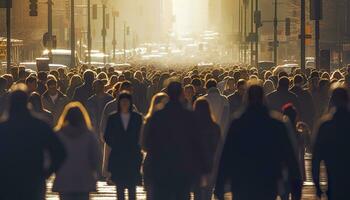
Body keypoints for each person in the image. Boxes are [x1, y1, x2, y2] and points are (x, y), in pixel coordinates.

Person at [215, 84, 302, 200]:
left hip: (242, 182)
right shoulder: (276, 123)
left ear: (246, 99)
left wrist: (219, 186)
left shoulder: (237, 123)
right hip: (268, 181)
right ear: (263, 98)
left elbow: (226, 155)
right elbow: (289, 156)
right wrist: (296, 186)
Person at [0, 84, 66, 200]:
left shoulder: (3, 127)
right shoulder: (40, 125)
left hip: (6, 181)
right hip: (33, 180)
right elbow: (60, 152)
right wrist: (46, 173)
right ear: (27, 102)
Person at [144, 81, 206, 200]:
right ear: (181, 94)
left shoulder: (157, 116)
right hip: (183, 168)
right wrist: (202, 168)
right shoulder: (190, 116)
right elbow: (198, 143)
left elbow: (145, 144)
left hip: (161, 168)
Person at [52, 102, 101, 200]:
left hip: (64, 179)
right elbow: (96, 156)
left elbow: (52, 156)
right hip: (84, 180)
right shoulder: (89, 135)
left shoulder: (58, 134)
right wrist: (95, 172)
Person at [312, 87, 350, 200]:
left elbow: (316, 156)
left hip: (334, 181)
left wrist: (317, 183)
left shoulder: (325, 125)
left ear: (332, 100)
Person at [104, 92, 143, 200]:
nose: (125, 103)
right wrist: (116, 144)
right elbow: (107, 136)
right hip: (118, 156)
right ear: (119, 102)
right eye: (122, 101)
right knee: (119, 188)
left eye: (127, 101)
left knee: (132, 189)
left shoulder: (137, 117)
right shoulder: (112, 118)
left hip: (133, 155)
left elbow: (141, 134)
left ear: (131, 102)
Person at [141, 92, 169, 200]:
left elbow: (143, 145)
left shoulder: (149, 121)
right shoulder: (172, 122)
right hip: (165, 162)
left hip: (152, 161)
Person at [192, 98, 221, 200]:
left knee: (197, 192)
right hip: (210, 162)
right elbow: (217, 146)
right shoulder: (214, 127)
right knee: (208, 191)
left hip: (195, 162)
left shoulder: (191, 126)